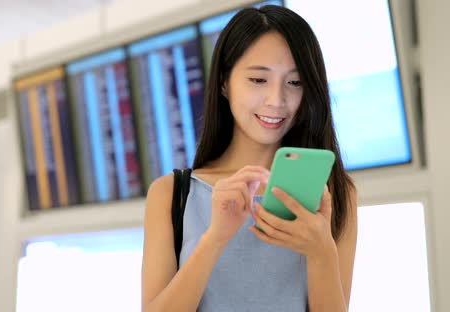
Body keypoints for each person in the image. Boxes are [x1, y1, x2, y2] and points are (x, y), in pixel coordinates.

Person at [141, 5, 357, 312]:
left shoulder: (334, 193)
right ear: (224, 83)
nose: (277, 101)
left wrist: (322, 252)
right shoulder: (171, 194)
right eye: (258, 80)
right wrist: (215, 238)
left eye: (294, 83)